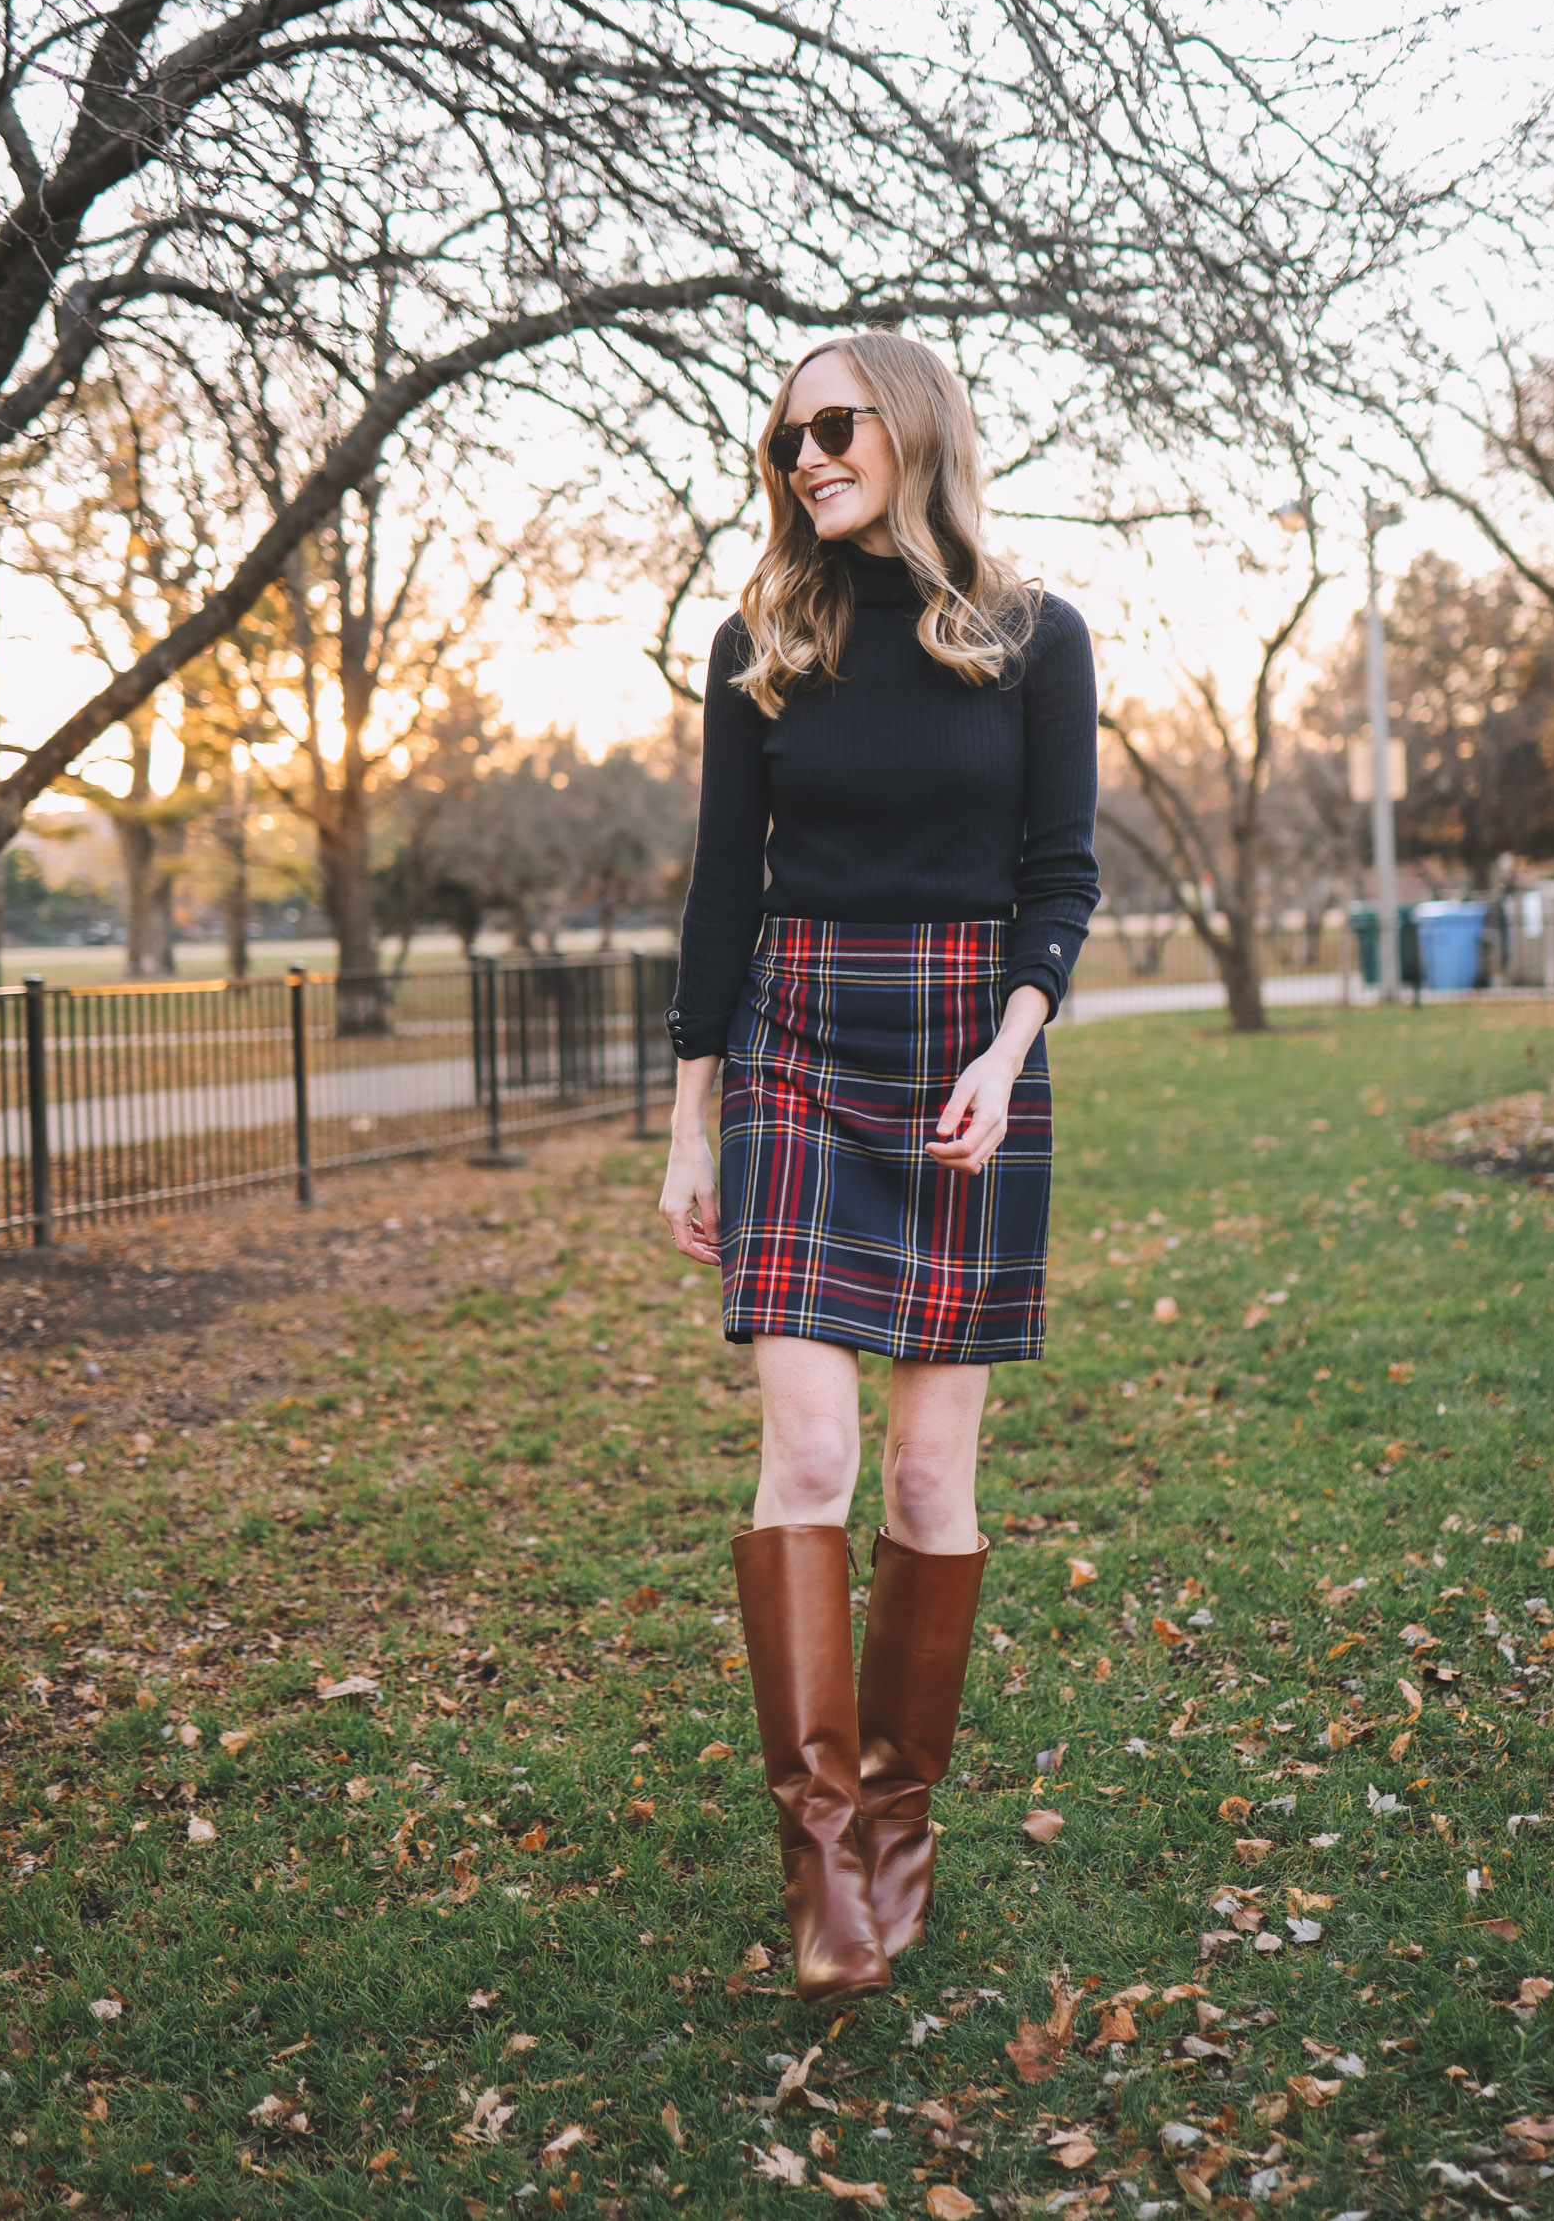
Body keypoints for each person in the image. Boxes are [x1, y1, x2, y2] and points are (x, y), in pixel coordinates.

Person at [658, 331, 1099, 2004]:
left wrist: (1007, 1049)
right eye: (782, 444)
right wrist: (692, 1118)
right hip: (791, 1049)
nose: (805, 461)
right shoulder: (757, 645)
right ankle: (818, 1843)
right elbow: (721, 895)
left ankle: (903, 1819)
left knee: (929, 1485)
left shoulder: (1034, 638)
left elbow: (1061, 870)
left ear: (912, 428)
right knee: (814, 1447)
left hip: (963, 1058)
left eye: (830, 429)